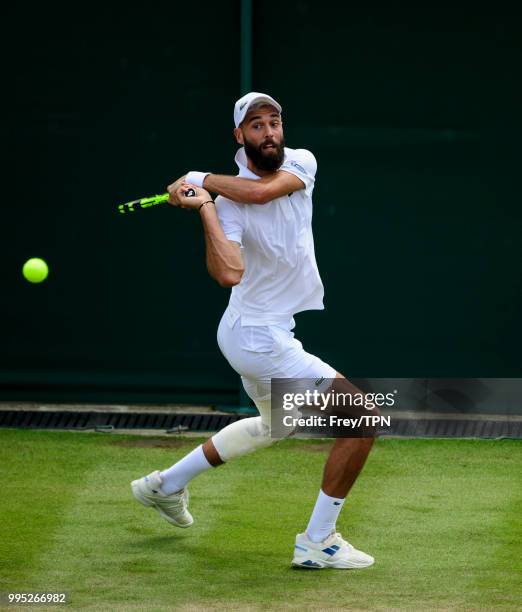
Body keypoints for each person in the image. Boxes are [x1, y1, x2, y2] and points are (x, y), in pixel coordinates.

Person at [131, 92, 376, 569]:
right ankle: (318, 542)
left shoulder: (301, 163)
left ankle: (165, 485)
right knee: (361, 420)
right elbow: (228, 273)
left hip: (261, 334)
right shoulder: (228, 205)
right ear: (239, 137)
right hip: (254, 336)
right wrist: (207, 207)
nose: (269, 133)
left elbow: (263, 192)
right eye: (257, 125)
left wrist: (199, 181)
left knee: (272, 426)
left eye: (274, 122)